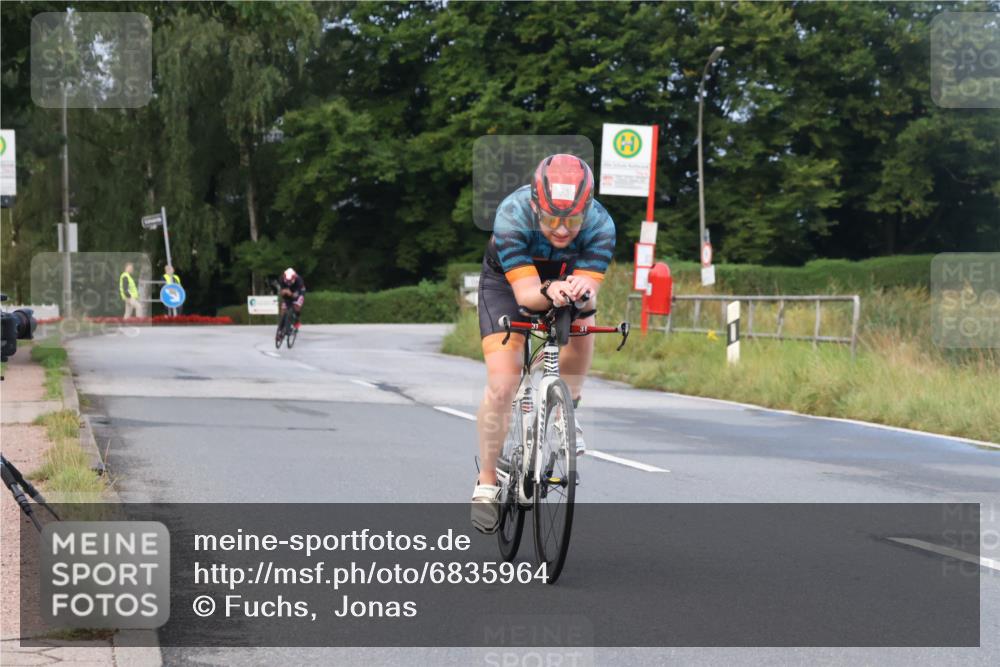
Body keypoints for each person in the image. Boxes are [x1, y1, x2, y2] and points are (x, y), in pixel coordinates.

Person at [471, 154, 616, 533]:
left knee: (584, 320)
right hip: (509, 283)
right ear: (536, 206)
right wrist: (552, 289)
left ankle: (569, 405)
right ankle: (486, 482)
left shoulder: (601, 225)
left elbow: (590, 294)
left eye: (573, 220)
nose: (564, 230)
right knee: (504, 381)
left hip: (564, 280)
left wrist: (583, 293)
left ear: (587, 210)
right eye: (552, 220)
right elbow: (528, 295)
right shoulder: (512, 214)